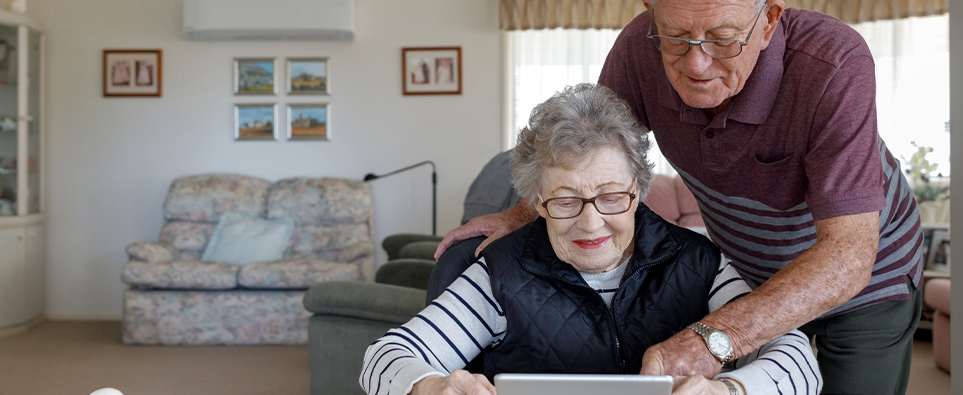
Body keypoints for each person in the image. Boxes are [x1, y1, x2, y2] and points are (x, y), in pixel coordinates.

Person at [434, 0, 923, 393]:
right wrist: (525, 212)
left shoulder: (834, 64)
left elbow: (850, 253)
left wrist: (713, 340)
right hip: (752, 274)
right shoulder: (637, 49)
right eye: (675, 36)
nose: (695, 62)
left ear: (769, 20)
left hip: (865, 280)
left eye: (723, 39)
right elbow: (588, 152)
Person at [363, 84, 821, 395]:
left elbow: (801, 362)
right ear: (536, 200)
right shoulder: (499, 272)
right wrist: (427, 384)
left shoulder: (700, 262)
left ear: (638, 190)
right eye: (564, 201)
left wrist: (730, 389)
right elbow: (385, 356)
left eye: (611, 197)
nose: (590, 223)